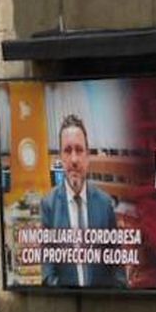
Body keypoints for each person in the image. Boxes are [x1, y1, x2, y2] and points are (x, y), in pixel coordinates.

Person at [38, 114, 125, 288]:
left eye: (79, 150)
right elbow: (48, 274)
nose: (74, 159)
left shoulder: (105, 204)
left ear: (88, 155)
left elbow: (118, 271)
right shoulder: (48, 206)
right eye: (68, 150)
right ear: (60, 157)